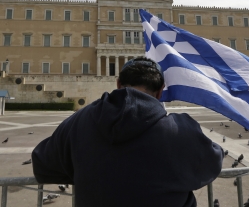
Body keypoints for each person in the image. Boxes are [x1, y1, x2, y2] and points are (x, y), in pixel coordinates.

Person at [32, 56, 224, 207]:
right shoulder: (180, 129)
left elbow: (42, 164)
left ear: (118, 84)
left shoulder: (79, 121)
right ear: (160, 92)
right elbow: (212, 161)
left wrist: (90, 171)